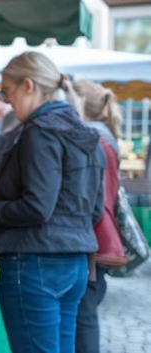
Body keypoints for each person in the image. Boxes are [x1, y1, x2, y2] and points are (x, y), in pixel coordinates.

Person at [0, 52, 104, 353]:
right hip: (75, 262)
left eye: (6, 91)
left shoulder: (40, 133)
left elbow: (39, 207)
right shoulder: (83, 133)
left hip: (35, 264)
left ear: (28, 86)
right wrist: (1, 193)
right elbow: (91, 208)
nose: (6, 100)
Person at [74, 80, 128, 353]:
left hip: (92, 238)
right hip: (97, 236)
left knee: (84, 316)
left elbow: (93, 203)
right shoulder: (105, 136)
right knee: (85, 314)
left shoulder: (93, 138)